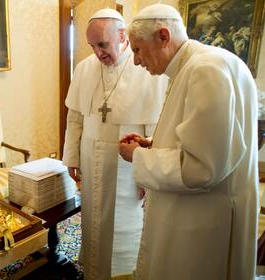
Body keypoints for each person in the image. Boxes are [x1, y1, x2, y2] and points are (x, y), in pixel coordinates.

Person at [118, 4, 258, 279]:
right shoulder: (195, 65)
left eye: (136, 49)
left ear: (163, 36)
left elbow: (200, 168)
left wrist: (137, 156)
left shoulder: (204, 70)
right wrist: (151, 143)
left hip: (204, 219)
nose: (135, 61)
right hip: (200, 210)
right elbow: (208, 141)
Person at [62, 8, 167, 280]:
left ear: (122, 36)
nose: (97, 53)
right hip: (90, 157)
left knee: (125, 224)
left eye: (103, 45)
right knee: (93, 220)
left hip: (127, 165)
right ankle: (94, 269)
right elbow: (74, 118)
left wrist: (148, 173)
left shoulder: (145, 68)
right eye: (92, 46)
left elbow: (153, 125)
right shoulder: (84, 68)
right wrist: (71, 158)